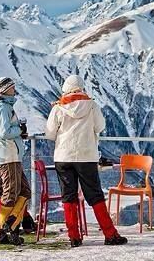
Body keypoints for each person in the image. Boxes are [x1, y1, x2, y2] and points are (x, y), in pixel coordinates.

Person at [45, 75, 127, 247]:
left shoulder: (58, 108)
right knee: (95, 195)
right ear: (81, 88)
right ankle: (110, 234)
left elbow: (50, 134)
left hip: (63, 157)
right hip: (86, 157)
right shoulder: (91, 105)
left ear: (65, 89)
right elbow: (100, 127)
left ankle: (74, 236)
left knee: (69, 196)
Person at [0, 92, 37, 242]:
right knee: (11, 194)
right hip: (5, 157)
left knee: (13, 192)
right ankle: (6, 229)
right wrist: (19, 131)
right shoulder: (1, 110)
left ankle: (11, 225)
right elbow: (4, 132)